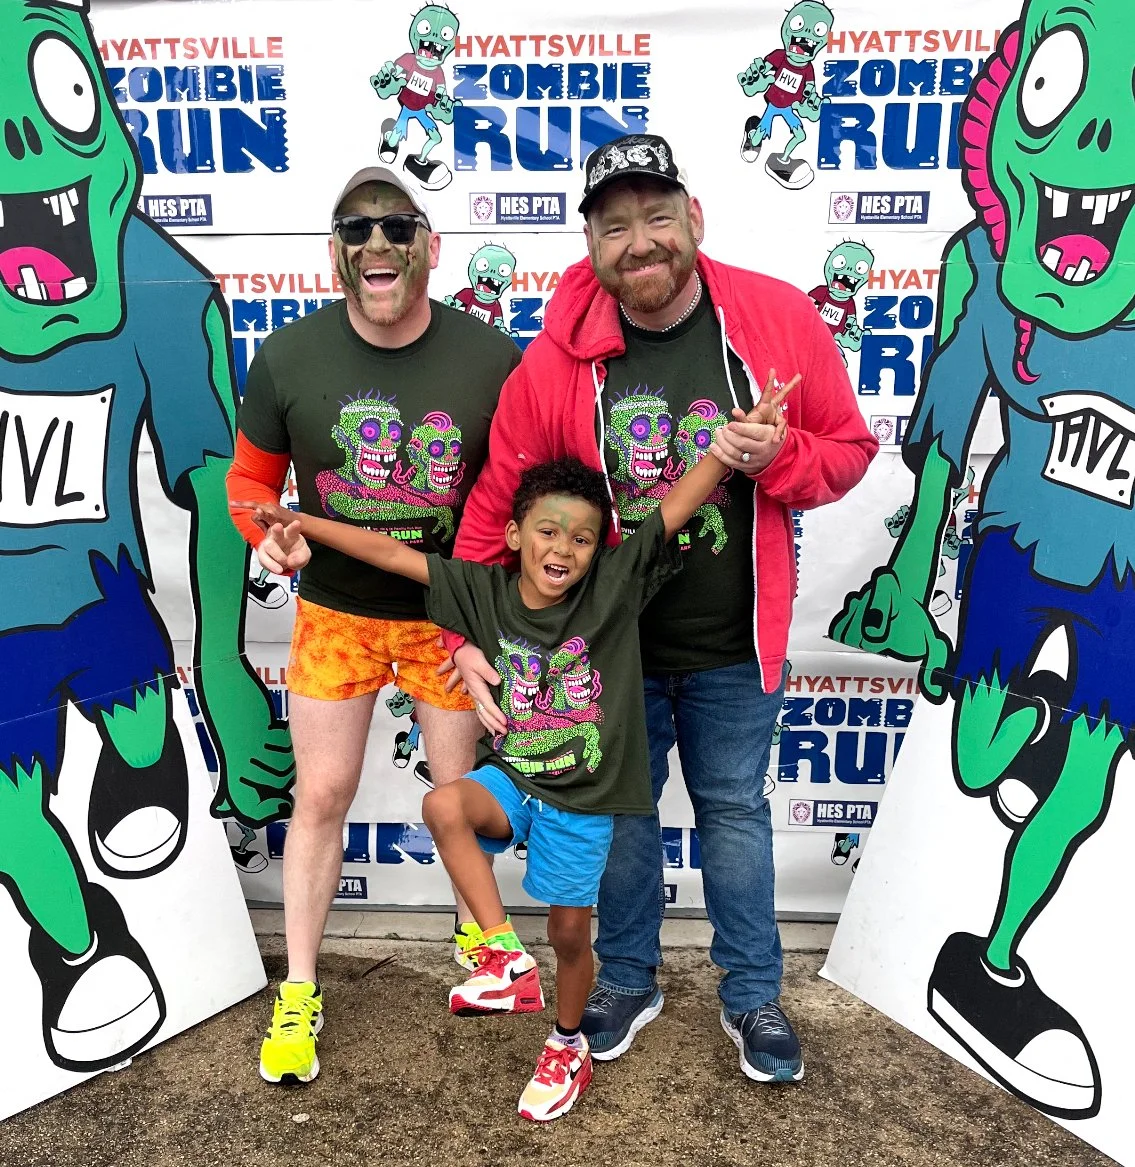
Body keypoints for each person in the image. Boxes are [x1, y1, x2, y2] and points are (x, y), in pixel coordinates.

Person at [444, 132, 878, 1084]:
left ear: (693, 221)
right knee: (623, 826)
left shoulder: (771, 316)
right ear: (590, 246)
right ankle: (626, 978)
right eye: (613, 226)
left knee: (733, 812)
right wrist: (464, 636)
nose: (638, 242)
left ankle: (753, 993)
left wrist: (778, 460)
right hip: (606, 660)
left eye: (655, 217)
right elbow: (493, 505)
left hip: (733, 645)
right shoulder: (557, 360)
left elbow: (845, 449)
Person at [234, 388, 789, 1118]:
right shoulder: (482, 588)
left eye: (582, 538)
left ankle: (565, 1045)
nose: (562, 549)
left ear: (599, 548)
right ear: (514, 533)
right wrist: (300, 518)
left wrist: (726, 446)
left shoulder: (614, 590)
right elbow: (388, 551)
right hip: (518, 778)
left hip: (586, 798)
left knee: (568, 935)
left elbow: (676, 508)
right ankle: (498, 952)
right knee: (444, 802)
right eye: (547, 532)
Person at [225, 164, 521, 1085]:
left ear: (431, 247)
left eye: (398, 228)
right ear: (334, 255)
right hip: (337, 614)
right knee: (319, 799)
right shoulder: (286, 355)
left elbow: (518, 489)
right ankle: (300, 989)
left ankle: (483, 945)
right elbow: (247, 484)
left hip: (448, 616)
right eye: (358, 231)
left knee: (459, 793)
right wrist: (265, 536)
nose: (378, 244)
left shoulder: (494, 357)